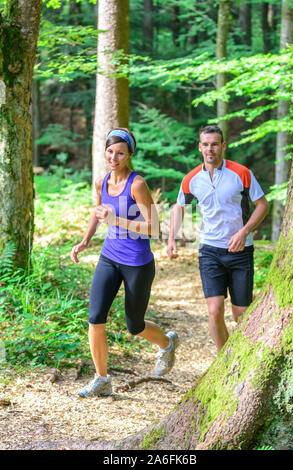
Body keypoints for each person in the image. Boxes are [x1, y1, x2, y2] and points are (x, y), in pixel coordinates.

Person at [71, 128, 179, 397]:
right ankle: (102, 379)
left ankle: (166, 343)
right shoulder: (101, 182)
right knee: (95, 318)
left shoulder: (137, 184)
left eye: (120, 152)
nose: (113, 157)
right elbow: (99, 213)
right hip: (109, 257)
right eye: (110, 151)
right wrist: (85, 240)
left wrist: (115, 221)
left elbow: (154, 228)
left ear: (130, 154)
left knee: (135, 325)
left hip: (137, 263)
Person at [167, 124, 269, 352]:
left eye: (214, 144)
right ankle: (225, 361)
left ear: (223, 146)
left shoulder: (241, 173)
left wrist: (245, 232)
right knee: (214, 311)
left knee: (241, 315)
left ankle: (243, 356)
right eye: (205, 144)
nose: (210, 149)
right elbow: (179, 207)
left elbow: (262, 205)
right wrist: (171, 238)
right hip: (210, 251)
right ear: (199, 147)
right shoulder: (191, 179)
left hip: (241, 251)